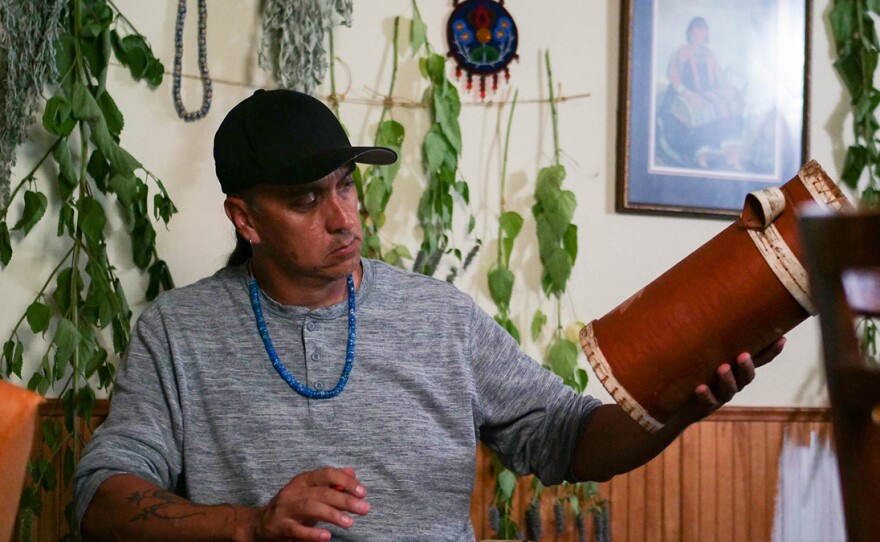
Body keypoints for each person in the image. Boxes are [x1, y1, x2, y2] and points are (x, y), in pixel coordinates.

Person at [73, 89, 783, 541]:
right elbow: (102, 497)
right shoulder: (178, 332)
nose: (345, 217)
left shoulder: (441, 318)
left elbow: (567, 441)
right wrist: (250, 524)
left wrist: (677, 405)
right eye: (306, 200)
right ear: (244, 218)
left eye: (347, 185)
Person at [658, 16, 744, 170]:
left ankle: (730, 156)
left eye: (702, 31)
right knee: (699, 112)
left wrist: (727, 87)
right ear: (690, 33)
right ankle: (700, 157)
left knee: (725, 107)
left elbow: (719, 77)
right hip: (683, 95)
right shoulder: (682, 52)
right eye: (696, 30)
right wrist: (689, 95)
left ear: (706, 34)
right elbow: (674, 77)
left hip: (706, 95)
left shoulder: (709, 54)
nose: (699, 34)